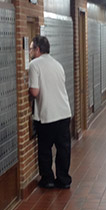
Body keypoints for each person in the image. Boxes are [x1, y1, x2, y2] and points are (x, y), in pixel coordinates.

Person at [28, 35, 73, 189]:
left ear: (38, 49)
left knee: (45, 149)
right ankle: (63, 179)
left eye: (31, 48)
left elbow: (34, 92)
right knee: (63, 149)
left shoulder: (34, 65)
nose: (30, 52)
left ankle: (48, 179)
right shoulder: (57, 64)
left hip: (47, 115)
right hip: (64, 112)